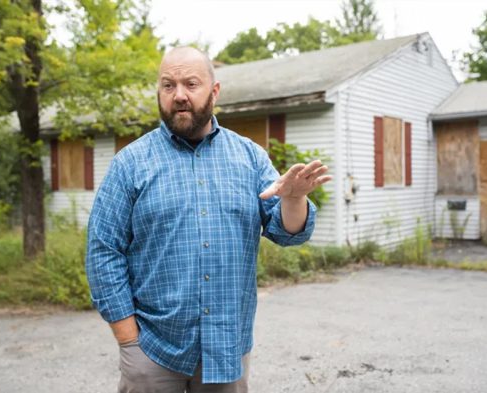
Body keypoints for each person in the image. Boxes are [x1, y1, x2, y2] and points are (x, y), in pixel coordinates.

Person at [85, 46, 331, 393]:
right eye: (168, 85)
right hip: (152, 350)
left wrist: (294, 198)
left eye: (191, 84)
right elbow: (102, 251)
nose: (179, 95)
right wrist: (128, 338)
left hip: (226, 347)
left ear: (214, 92)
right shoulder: (130, 163)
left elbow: (288, 232)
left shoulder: (249, 157)